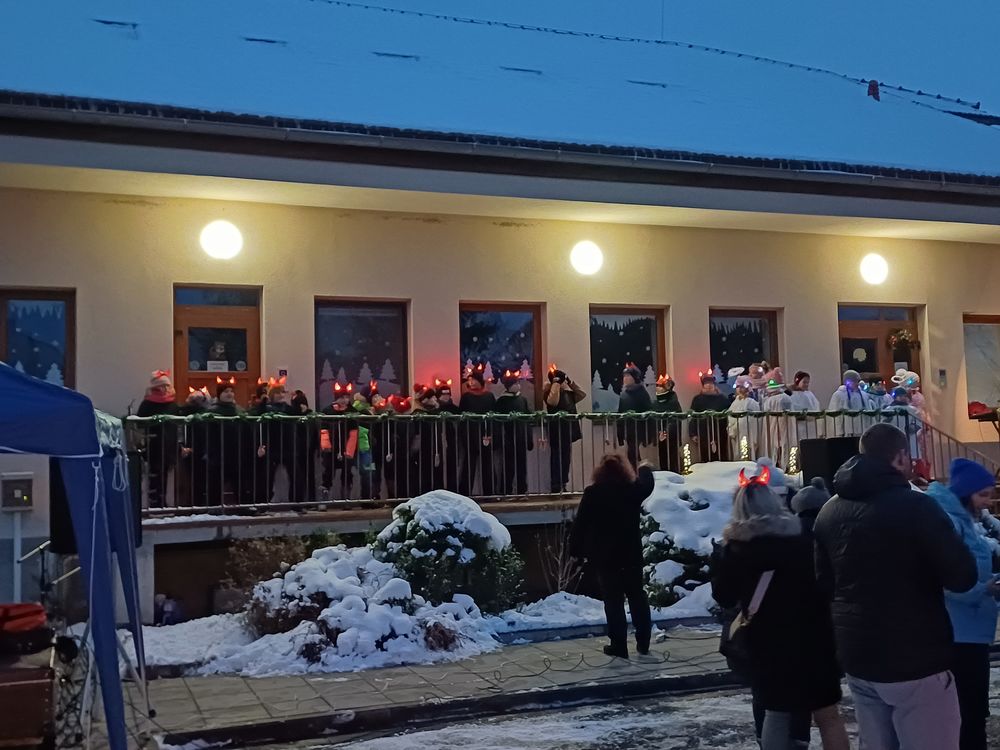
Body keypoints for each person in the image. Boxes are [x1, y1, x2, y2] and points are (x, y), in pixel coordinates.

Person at [813, 423, 978, 750]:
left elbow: (824, 584)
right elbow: (962, 576)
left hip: (858, 654)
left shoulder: (828, 511)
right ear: (901, 457)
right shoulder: (917, 507)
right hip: (915, 656)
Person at [712, 467, 848, 750]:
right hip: (814, 638)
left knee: (776, 713)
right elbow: (826, 582)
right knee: (828, 716)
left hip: (767, 643)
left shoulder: (737, 550)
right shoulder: (802, 540)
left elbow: (724, 597)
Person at [926, 459, 999, 750]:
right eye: (983, 495)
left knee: (973, 708)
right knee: (967, 711)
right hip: (959, 632)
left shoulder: (965, 520)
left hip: (973, 629)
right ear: (965, 493)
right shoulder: (950, 522)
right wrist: (984, 589)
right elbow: (947, 579)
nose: (988, 502)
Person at [569, 454, 655, 658]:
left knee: (613, 601)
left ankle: (619, 645)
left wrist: (575, 551)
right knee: (637, 596)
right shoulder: (632, 491)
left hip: (606, 558)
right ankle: (643, 641)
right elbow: (648, 485)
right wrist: (644, 467)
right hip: (631, 555)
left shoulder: (593, 493)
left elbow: (581, 524)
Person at [136, 370, 179, 508]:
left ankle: (163, 502)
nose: (165, 388)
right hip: (153, 444)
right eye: (162, 386)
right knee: (154, 475)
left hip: (168, 444)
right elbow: (140, 423)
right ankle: (154, 503)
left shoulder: (172, 404)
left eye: (167, 386)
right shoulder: (147, 403)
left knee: (165, 474)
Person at [543, 366, 586, 493]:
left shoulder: (568, 394)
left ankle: (564, 482)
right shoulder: (549, 393)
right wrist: (555, 384)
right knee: (556, 457)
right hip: (556, 430)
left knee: (566, 458)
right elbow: (553, 402)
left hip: (568, 430)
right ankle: (556, 484)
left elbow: (582, 394)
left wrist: (570, 381)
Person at [493, 369, 533, 496]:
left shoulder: (522, 399)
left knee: (522, 465)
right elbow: (497, 419)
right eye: (515, 383)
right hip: (508, 436)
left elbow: (527, 417)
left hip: (521, 436)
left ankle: (522, 489)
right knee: (508, 465)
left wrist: (529, 438)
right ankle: (506, 489)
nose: (518, 385)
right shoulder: (502, 401)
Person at [320, 381, 354, 500]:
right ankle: (325, 495)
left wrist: (350, 450)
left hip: (346, 446)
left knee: (347, 472)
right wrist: (326, 445)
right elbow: (324, 430)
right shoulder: (327, 411)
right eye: (342, 397)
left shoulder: (352, 411)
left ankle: (346, 497)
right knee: (328, 471)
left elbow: (354, 433)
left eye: (346, 397)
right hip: (331, 447)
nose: (344, 400)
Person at [410, 383, 446, 494]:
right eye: (432, 397)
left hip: (435, 447)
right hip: (424, 448)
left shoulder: (436, 413)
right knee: (425, 472)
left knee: (437, 472)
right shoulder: (419, 414)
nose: (435, 399)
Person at [617, 362, 653, 469]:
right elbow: (620, 413)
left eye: (628, 376)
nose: (625, 378)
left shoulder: (642, 393)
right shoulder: (624, 395)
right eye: (624, 376)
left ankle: (637, 472)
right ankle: (635, 472)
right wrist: (620, 434)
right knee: (632, 453)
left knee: (633, 453)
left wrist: (649, 433)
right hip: (628, 430)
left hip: (639, 429)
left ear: (634, 378)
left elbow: (648, 411)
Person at [690, 373, 731, 462]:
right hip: (703, 432)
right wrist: (693, 433)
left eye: (711, 383)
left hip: (720, 431)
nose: (709, 385)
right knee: (705, 454)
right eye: (706, 383)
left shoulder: (722, 399)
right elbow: (693, 417)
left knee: (721, 453)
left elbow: (728, 414)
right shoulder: (697, 399)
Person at [652, 374, 683, 473]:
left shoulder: (673, 402)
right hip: (660, 434)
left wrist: (667, 431)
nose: (657, 388)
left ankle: (674, 474)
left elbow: (677, 418)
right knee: (662, 456)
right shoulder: (655, 403)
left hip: (672, 436)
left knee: (672, 456)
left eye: (660, 386)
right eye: (657, 386)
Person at [435, 377, 461, 491]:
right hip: (438, 442)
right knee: (439, 466)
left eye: (447, 394)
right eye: (443, 394)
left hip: (452, 441)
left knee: (452, 465)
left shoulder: (455, 409)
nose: (446, 397)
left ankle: (452, 489)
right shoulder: (436, 410)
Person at [728, 375, 761, 460]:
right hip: (737, 432)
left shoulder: (752, 402)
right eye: (738, 387)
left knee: (746, 452)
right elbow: (730, 415)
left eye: (741, 386)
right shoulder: (735, 402)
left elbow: (755, 420)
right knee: (738, 452)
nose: (739, 389)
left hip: (748, 433)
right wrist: (733, 427)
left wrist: (741, 422)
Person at [827, 369, 867, 437]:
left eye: (858, 381)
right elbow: (835, 414)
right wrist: (838, 431)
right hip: (846, 429)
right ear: (848, 381)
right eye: (854, 381)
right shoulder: (839, 395)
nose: (857, 384)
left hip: (861, 428)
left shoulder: (862, 395)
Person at [789, 370, 823, 444]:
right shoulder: (793, 394)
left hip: (811, 424)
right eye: (804, 382)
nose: (806, 384)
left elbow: (816, 405)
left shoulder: (809, 394)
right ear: (797, 382)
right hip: (800, 425)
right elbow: (793, 407)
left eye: (808, 382)